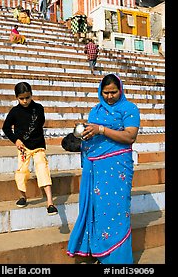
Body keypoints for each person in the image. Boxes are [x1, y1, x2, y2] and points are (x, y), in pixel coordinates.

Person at [67, 74, 140, 264]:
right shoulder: (96, 110)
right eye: (105, 92)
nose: (109, 96)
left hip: (118, 169)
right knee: (98, 210)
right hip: (95, 167)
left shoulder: (129, 109)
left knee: (117, 210)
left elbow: (130, 137)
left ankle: (118, 259)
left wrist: (101, 130)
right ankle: (100, 253)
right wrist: (81, 136)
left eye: (113, 92)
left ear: (120, 90)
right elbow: (92, 137)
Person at [2, 82, 58, 215]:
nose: (25, 101)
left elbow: (41, 122)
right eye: (22, 98)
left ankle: (50, 202)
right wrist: (16, 139)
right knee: (21, 171)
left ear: (31, 95)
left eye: (27, 97)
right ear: (17, 98)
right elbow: (6, 127)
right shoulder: (14, 112)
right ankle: (22, 196)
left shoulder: (38, 108)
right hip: (23, 148)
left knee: (42, 169)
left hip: (38, 146)